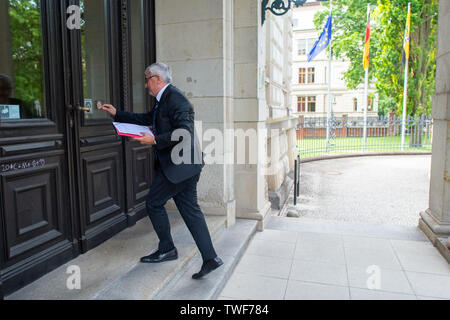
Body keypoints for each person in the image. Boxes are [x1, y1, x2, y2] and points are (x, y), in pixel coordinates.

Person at [100, 62, 223, 279]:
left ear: (157, 79)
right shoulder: (163, 99)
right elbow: (147, 119)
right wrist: (118, 113)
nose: (145, 84)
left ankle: (167, 249)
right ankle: (211, 258)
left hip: (181, 166)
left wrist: (155, 139)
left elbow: (183, 133)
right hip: (185, 165)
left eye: (147, 79)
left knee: (154, 203)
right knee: (190, 211)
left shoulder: (177, 99)